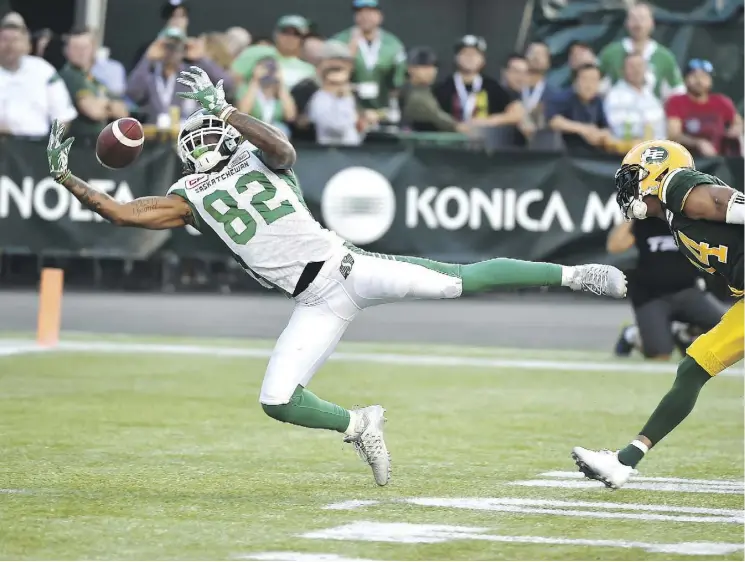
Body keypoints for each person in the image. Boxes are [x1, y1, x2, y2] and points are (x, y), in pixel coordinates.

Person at [46, 65, 628, 487]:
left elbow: (281, 149)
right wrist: (67, 177)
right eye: (198, 135)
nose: (203, 140)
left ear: (224, 136)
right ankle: (359, 422)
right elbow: (122, 214)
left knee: (459, 280)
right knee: (276, 399)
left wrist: (225, 110)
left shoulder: (256, 158)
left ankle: (574, 275)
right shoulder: (187, 199)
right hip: (315, 302)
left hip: (349, 268)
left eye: (211, 131)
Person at [573, 139, 743, 489]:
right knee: (693, 367)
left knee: (693, 368)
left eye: (635, 177)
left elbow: (717, 200)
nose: (629, 187)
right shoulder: (672, 216)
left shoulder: (676, 184)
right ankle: (623, 462)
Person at [607, 218, 723, 359]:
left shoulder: (688, 217)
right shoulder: (643, 222)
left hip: (687, 291)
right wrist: (631, 215)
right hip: (651, 296)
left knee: (727, 330)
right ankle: (633, 335)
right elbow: (615, 246)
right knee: (660, 355)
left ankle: (683, 334)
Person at [127, 27, 234, 125]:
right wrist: (147, 59)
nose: (172, 52)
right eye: (168, 47)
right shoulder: (151, 74)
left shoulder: (191, 74)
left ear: (183, 50)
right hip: (155, 138)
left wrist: (201, 58)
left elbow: (227, 86)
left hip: (186, 136)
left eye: (177, 47)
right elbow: (133, 93)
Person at [0, 21, 77, 137]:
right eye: (4, 39)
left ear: (28, 46)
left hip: (36, 146)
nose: (10, 45)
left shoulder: (44, 71)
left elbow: (63, 116)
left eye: (16, 40)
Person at [332, 0, 406, 116]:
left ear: (380, 16)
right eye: (360, 13)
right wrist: (349, 56)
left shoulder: (393, 44)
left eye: (370, 12)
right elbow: (331, 76)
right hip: (348, 110)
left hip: (382, 111)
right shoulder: (340, 41)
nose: (365, 17)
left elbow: (398, 81)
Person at [598, 2, 685, 101]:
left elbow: (678, 92)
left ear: (652, 23)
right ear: (627, 23)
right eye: (634, 19)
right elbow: (595, 86)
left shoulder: (665, 57)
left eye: (642, 19)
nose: (638, 24)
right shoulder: (610, 53)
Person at [433, 35, 523, 130]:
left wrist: (488, 122)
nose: (470, 58)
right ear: (456, 58)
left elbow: (517, 113)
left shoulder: (492, 87)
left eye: (475, 54)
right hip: (449, 141)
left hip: (484, 141)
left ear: (482, 59)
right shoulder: (442, 88)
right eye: (465, 54)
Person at [59, 27, 129, 137]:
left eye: (85, 47)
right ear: (66, 51)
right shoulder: (69, 76)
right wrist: (110, 106)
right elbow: (94, 111)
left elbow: (123, 111)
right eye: (75, 48)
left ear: (93, 49)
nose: (81, 52)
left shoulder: (92, 79)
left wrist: (104, 105)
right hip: (77, 146)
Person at [665, 59, 743, 157]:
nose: (699, 81)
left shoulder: (721, 101)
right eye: (694, 76)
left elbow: (738, 122)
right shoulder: (676, 101)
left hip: (719, 160)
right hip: (689, 159)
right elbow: (674, 135)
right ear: (686, 79)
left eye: (704, 76)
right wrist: (697, 143)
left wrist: (735, 130)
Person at [603, 52, 665, 152]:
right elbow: (618, 130)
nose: (637, 70)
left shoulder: (652, 97)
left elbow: (661, 130)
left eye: (640, 66)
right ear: (622, 71)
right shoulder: (614, 96)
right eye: (631, 66)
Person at [547, 63, 612, 152]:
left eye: (594, 80)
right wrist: (583, 129)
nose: (589, 85)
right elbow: (554, 121)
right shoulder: (563, 98)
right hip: (567, 153)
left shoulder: (597, 101)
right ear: (575, 80)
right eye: (585, 79)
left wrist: (599, 135)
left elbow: (605, 128)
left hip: (592, 153)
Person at [400, 46, 463, 133]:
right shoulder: (411, 93)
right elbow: (439, 118)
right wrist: (459, 127)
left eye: (433, 67)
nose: (431, 71)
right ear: (411, 69)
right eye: (425, 67)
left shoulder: (427, 90)